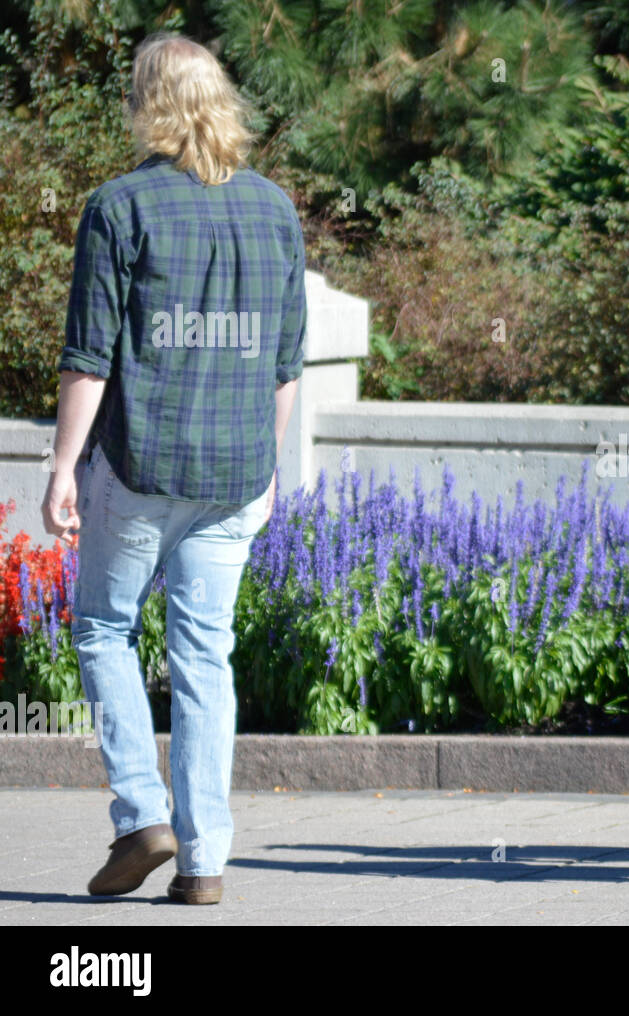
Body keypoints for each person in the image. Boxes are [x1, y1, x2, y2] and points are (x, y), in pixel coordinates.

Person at [42, 33, 306, 904]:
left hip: (141, 463)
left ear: (146, 103)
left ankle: (141, 816)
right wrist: (270, 472)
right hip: (237, 471)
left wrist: (61, 468)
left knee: (102, 629)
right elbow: (284, 363)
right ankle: (204, 863)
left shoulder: (120, 206)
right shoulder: (273, 209)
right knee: (205, 658)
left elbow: (90, 359)